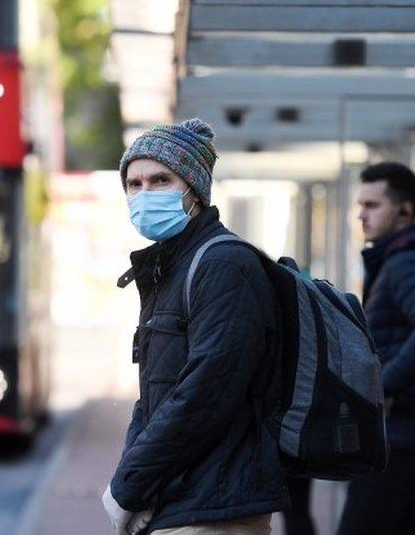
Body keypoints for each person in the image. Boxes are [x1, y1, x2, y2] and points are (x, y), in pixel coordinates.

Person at [101, 119, 288, 535]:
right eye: (134, 184)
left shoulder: (223, 265)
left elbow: (205, 392)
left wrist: (128, 486)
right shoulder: (172, 267)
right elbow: (157, 394)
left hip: (216, 505)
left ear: (194, 190)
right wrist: (134, 481)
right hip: (182, 500)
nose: (144, 194)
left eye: (161, 179)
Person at [338, 162, 415, 535]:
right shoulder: (400, 260)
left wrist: (381, 387)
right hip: (407, 434)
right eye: (361, 205)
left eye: (373, 205)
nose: (362, 215)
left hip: (403, 435)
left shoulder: (407, 263)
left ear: (405, 210)